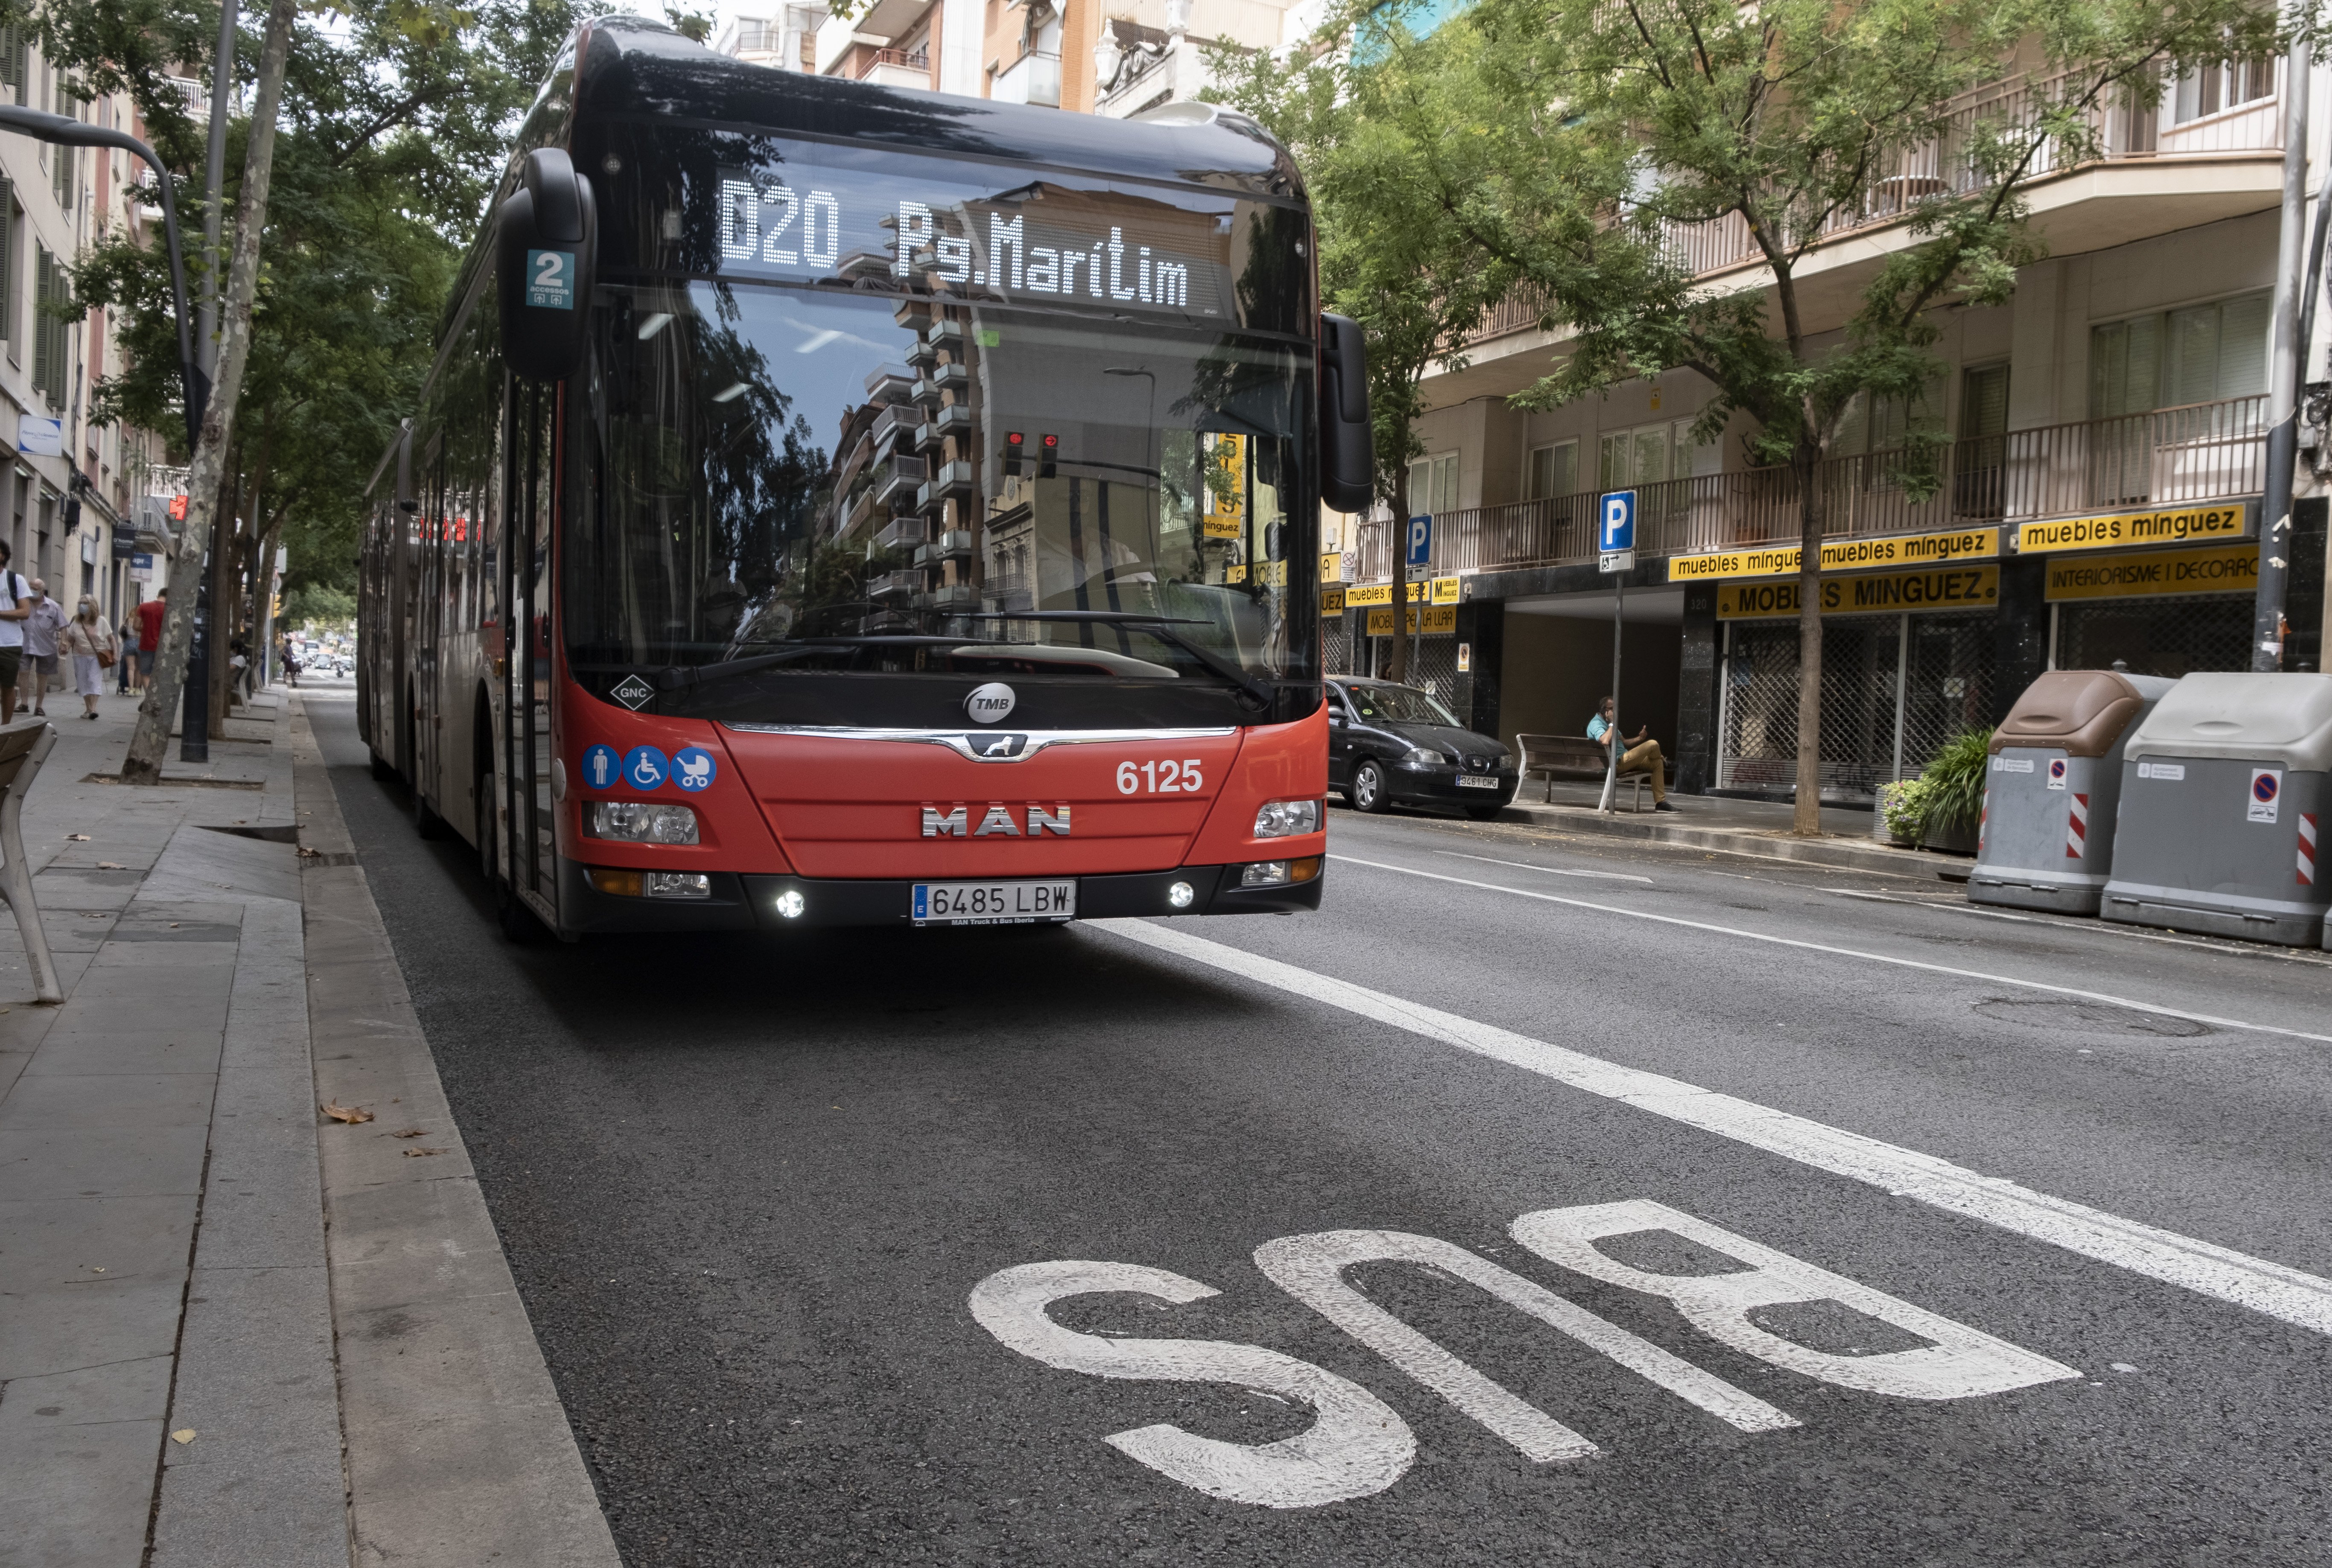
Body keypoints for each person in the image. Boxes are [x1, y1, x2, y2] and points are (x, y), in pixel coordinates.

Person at [1587, 694, 1673, 810]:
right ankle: (1665, 761)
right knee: (1653, 744)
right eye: (1612, 709)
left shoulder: (1610, 724)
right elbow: (1605, 740)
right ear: (1604, 711)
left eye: (1616, 708)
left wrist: (1640, 739)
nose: (1615, 711)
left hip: (1626, 758)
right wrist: (1612, 723)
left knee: (1657, 763)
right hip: (1616, 763)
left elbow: (1625, 742)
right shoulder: (1596, 724)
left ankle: (1661, 803)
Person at [61, 596, 117, 720]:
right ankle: (88, 709)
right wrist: (66, 647)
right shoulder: (76, 621)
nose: (82, 605)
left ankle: (93, 709)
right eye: (80, 603)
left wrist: (116, 654)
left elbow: (111, 639)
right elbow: (70, 639)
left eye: (85, 603)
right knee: (82, 683)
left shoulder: (101, 621)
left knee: (93, 680)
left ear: (93, 605)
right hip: (79, 656)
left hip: (97, 656)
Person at [19, 579, 65, 717]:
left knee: (42, 676)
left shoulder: (53, 606)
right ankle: (24, 703)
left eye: (35, 588)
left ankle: (39, 706)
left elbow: (63, 625)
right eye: (30, 587)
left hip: (46, 646)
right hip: (24, 643)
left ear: (42, 591)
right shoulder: (23, 603)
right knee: (23, 673)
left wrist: (64, 642)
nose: (32, 590)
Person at [0, 544, 34, 724]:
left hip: (9, 644)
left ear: (4, 556)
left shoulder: (15, 580)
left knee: (7, 687)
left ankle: (5, 728)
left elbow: (25, 612)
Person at [134, 588, 168, 692]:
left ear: (158, 595)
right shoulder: (170, 609)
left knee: (145, 673)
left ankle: (149, 697)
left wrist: (147, 628)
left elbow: (136, 626)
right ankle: (159, 696)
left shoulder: (144, 607)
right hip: (164, 647)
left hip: (146, 645)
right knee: (162, 674)